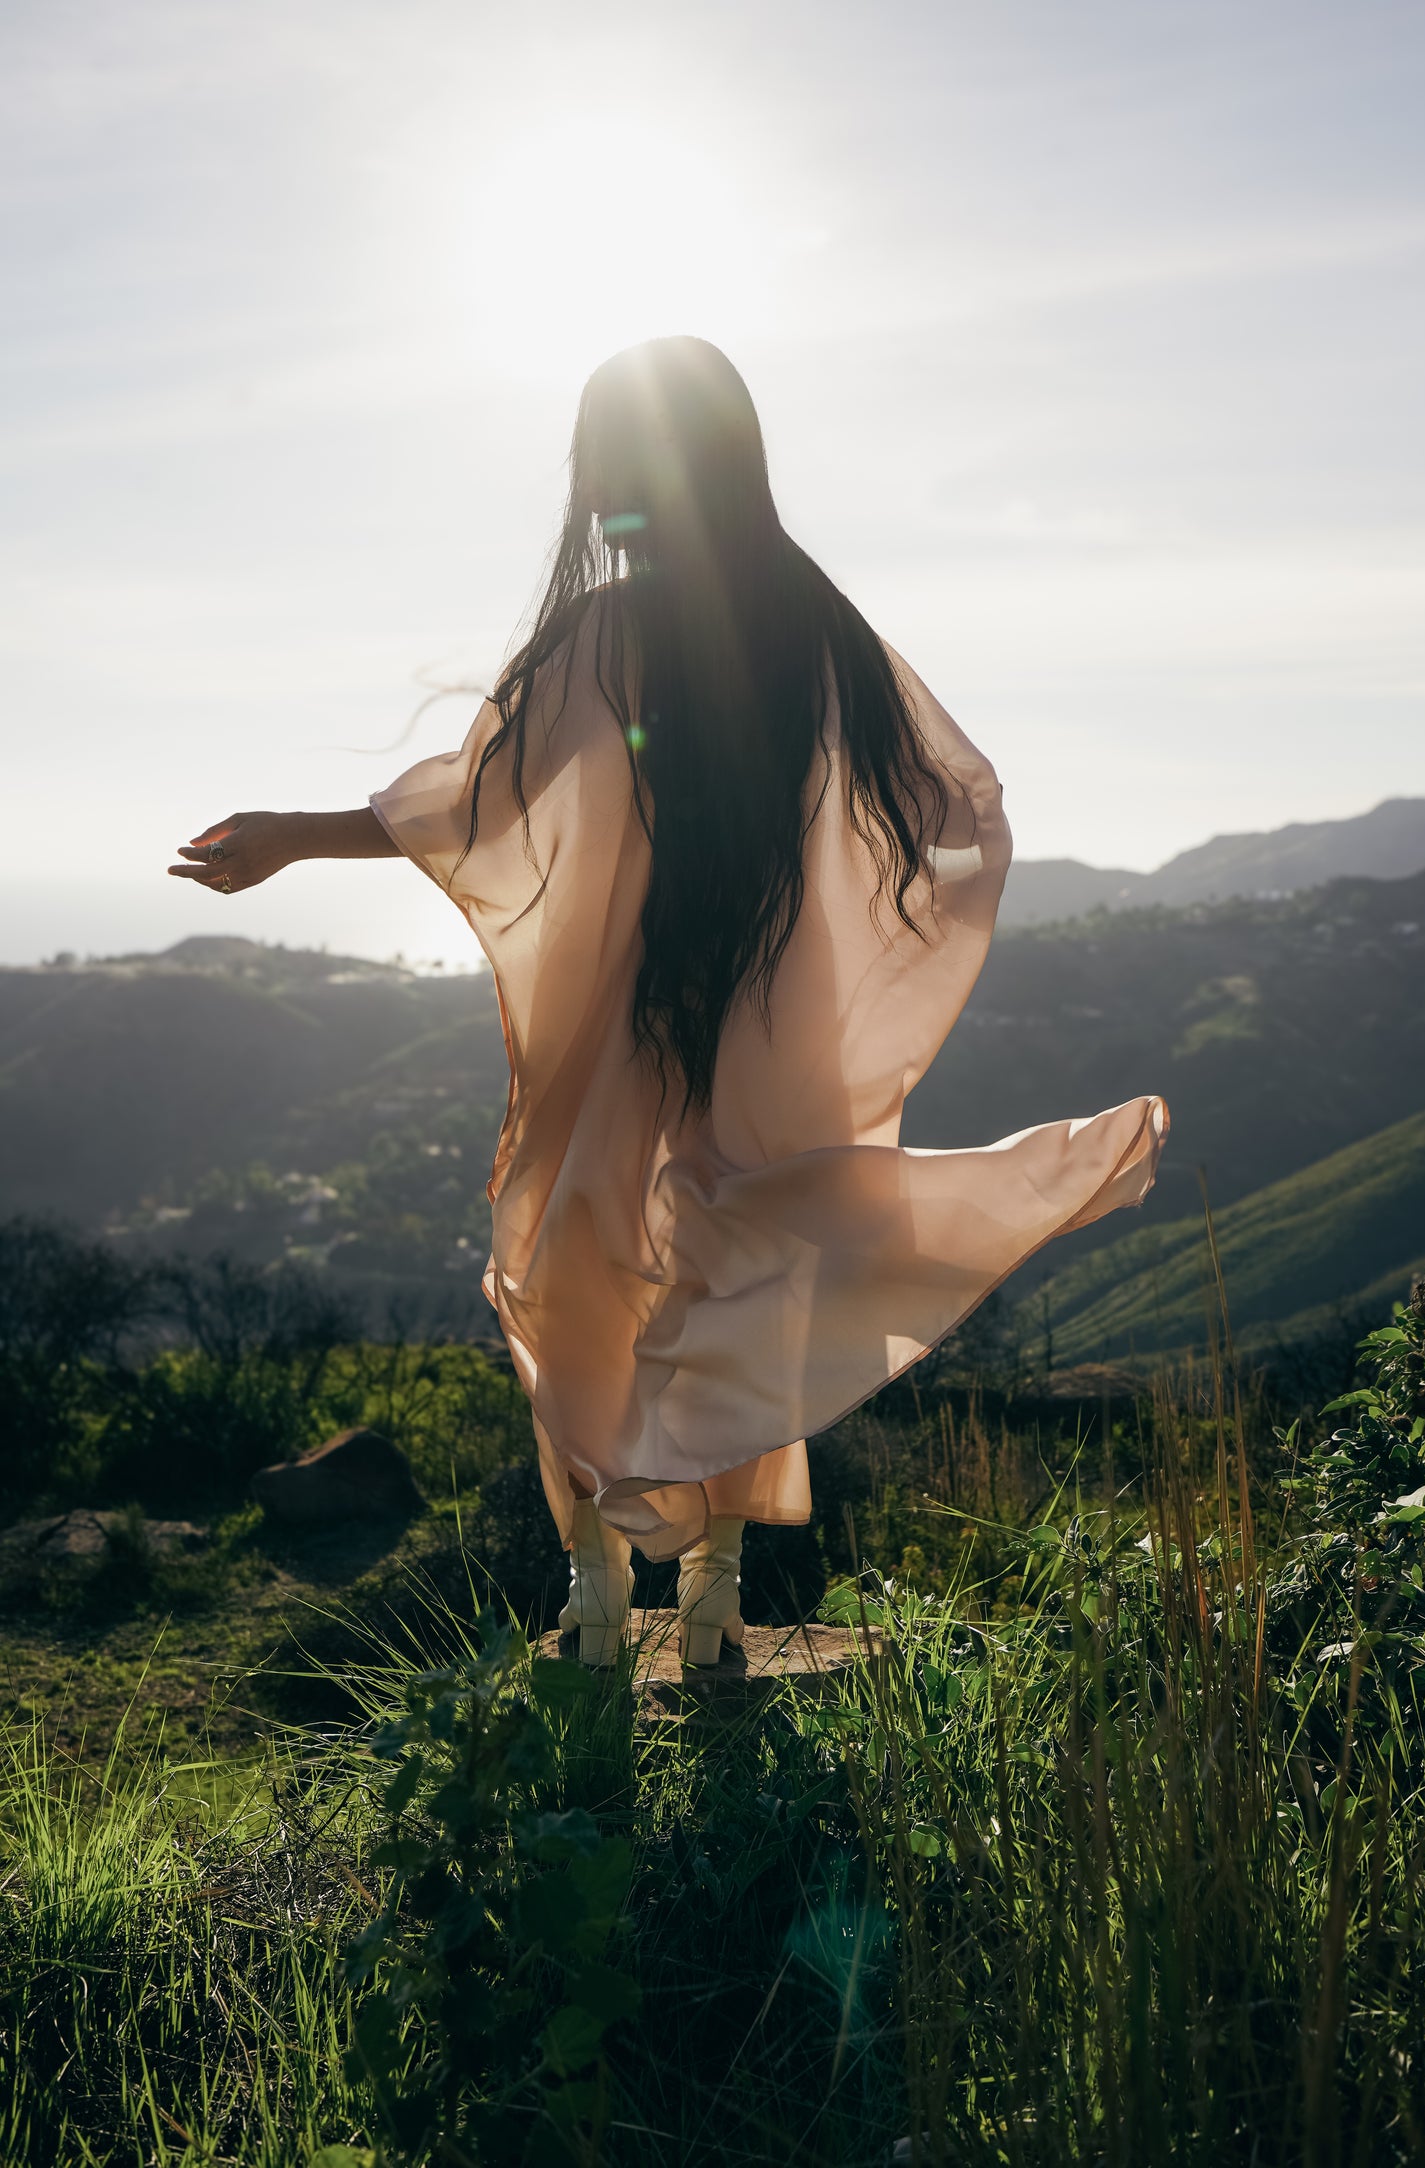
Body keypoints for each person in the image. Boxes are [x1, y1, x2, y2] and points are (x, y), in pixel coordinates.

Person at [171, 336, 1167, 1669]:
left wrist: (292, 833)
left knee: (570, 1267)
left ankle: (596, 1588)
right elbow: (950, 807)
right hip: (774, 1018)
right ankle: (709, 1594)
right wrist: (845, 941)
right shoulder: (817, 631)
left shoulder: (609, 633)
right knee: (745, 1275)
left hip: (625, 1017)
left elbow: (486, 806)